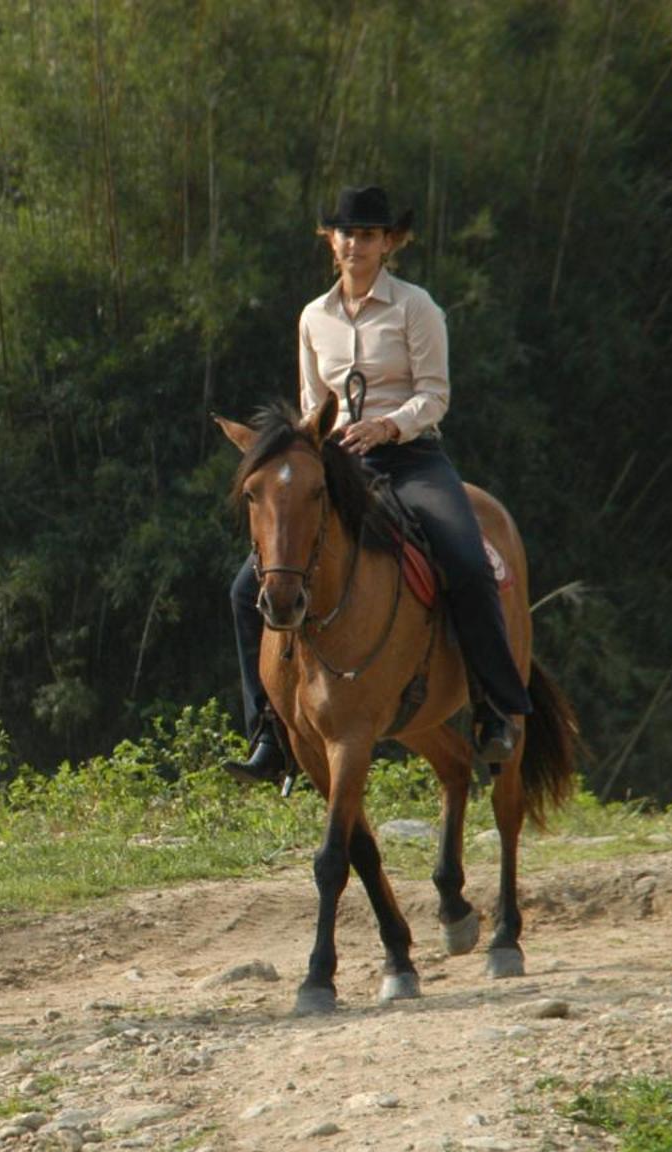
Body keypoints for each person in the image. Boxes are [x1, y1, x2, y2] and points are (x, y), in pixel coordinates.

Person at [226, 186, 532, 782]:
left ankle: (495, 708)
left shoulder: (416, 308)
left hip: (412, 459)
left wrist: (389, 425)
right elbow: (314, 403)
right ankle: (270, 730)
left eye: (368, 234)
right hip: (342, 464)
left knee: (466, 562)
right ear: (330, 240)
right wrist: (321, 441)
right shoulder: (313, 317)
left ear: (390, 242)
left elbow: (434, 394)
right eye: (345, 233)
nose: (354, 244)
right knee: (246, 589)